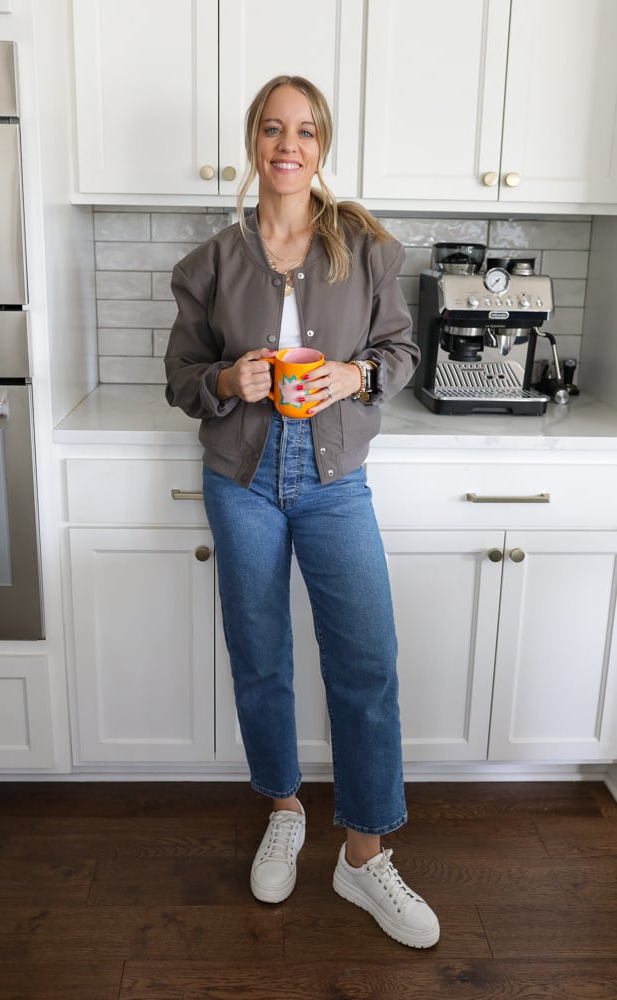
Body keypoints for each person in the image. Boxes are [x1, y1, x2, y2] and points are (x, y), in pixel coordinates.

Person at [164, 75, 440, 949]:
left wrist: (356, 375)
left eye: (307, 131)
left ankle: (362, 855)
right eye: (274, 130)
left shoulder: (362, 246)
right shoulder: (208, 261)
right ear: (253, 142)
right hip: (240, 477)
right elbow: (178, 378)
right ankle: (283, 809)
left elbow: (400, 348)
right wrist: (221, 380)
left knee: (365, 660)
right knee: (261, 654)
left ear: (322, 145)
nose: (289, 145)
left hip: (333, 479)